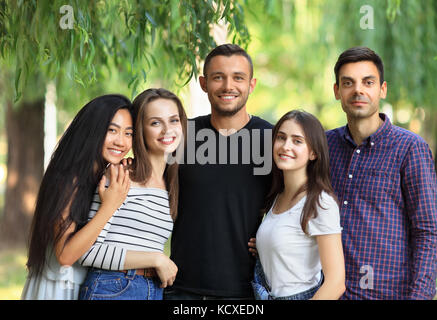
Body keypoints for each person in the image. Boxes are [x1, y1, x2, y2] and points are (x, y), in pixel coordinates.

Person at [326, 46, 437, 299]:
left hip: (387, 294)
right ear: (337, 91)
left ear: (382, 89)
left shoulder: (410, 149)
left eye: (368, 82)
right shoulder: (324, 146)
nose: (358, 90)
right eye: (348, 83)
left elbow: (428, 232)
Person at [165, 44, 273, 300]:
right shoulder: (181, 136)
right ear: (203, 83)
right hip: (181, 289)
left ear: (252, 84)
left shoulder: (272, 140)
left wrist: (275, 238)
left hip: (248, 292)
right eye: (218, 77)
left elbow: (297, 202)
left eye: (238, 77)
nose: (228, 86)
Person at [78, 88, 187, 300]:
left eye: (174, 120)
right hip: (113, 288)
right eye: (156, 123)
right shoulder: (119, 176)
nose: (168, 130)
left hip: (152, 289)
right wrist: (156, 259)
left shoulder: (170, 182)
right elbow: (87, 252)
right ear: (140, 130)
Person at [22, 94, 133, 300]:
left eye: (128, 133)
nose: (121, 141)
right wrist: (110, 205)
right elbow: (65, 255)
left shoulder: (99, 177)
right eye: (112, 130)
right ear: (92, 130)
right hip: (58, 289)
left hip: (85, 287)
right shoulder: (68, 178)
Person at [253, 110, 345, 300]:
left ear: (313, 152)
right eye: (281, 138)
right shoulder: (277, 196)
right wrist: (264, 244)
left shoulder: (320, 203)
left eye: (297, 141)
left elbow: (336, 282)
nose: (286, 146)